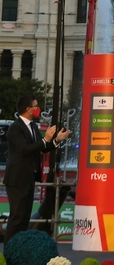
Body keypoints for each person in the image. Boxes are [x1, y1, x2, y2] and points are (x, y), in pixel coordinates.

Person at [3, 96, 70, 244]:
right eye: (36, 106)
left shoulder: (33, 126)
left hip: (29, 177)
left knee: (25, 217)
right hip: (16, 179)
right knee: (17, 216)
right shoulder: (15, 128)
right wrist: (45, 139)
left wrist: (56, 140)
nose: (38, 108)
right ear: (28, 109)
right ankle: (8, 252)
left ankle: (19, 249)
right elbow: (24, 149)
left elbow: (41, 148)